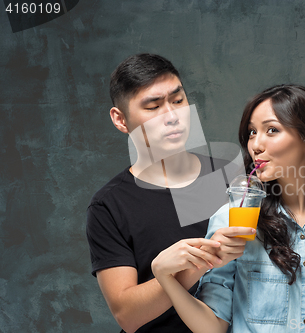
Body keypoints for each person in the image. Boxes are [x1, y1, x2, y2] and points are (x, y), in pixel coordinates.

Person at [151, 84, 305, 332]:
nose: (256, 145)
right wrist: (166, 278)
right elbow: (212, 327)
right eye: (252, 132)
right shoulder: (232, 221)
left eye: (271, 130)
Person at [86, 53, 255, 333]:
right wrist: (201, 263)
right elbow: (127, 316)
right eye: (153, 106)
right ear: (120, 119)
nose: (173, 116)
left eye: (178, 101)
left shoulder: (234, 177)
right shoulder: (109, 206)